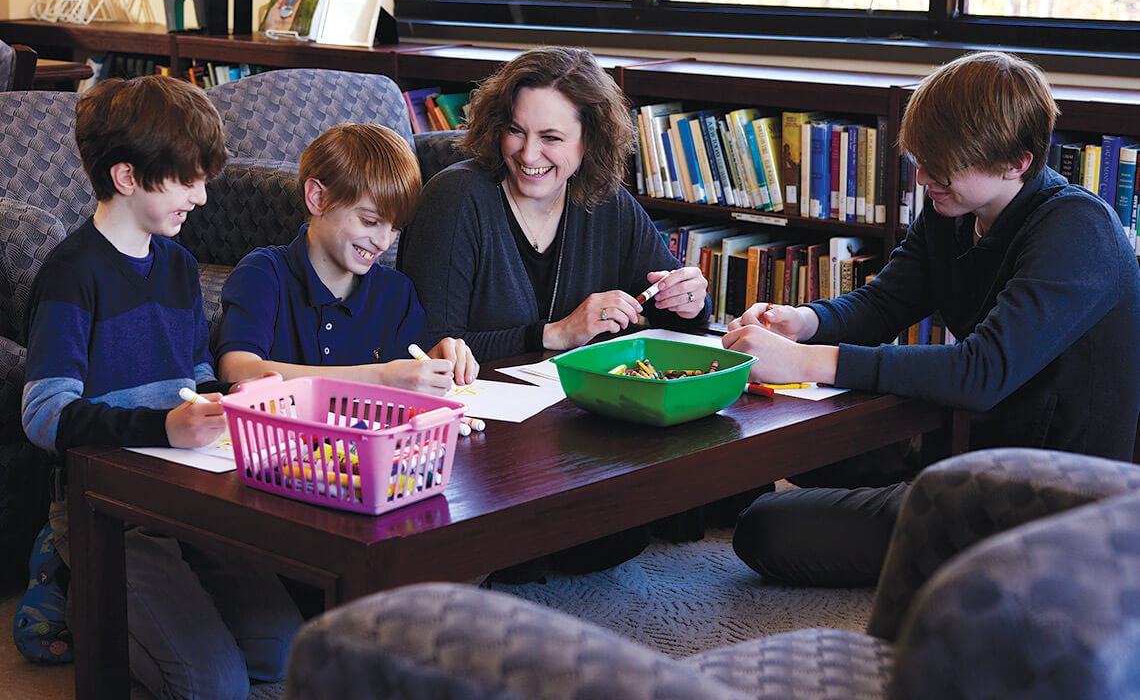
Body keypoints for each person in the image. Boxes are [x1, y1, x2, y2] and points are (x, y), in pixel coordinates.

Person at [723, 50, 1140, 587]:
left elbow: (979, 373)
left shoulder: (1079, 231)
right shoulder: (955, 208)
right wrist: (804, 322)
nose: (923, 178)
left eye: (944, 167)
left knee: (764, 528)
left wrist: (803, 361)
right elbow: (885, 303)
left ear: (1017, 162)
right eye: (922, 160)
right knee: (788, 454)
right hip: (966, 443)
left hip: (1048, 494)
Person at [20, 75, 303, 699]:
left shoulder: (178, 266)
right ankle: (74, 582)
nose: (201, 197)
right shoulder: (71, 275)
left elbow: (193, 373)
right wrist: (163, 428)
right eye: (187, 181)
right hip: (105, 512)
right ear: (126, 177)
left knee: (288, 655)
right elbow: (44, 416)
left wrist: (223, 399)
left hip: (188, 497)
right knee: (216, 686)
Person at [397, 46, 712, 362]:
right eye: (516, 130)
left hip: (581, 391)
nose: (528, 154)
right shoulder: (454, 198)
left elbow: (669, 311)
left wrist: (690, 302)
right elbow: (427, 346)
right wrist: (554, 334)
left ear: (590, 139)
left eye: (550, 138)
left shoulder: (607, 200)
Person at [216, 123, 477, 392]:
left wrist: (436, 363)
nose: (384, 242)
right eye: (369, 221)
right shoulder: (263, 273)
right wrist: (379, 377)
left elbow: (408, 379)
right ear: (317, 198)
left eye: (396, 228)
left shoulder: (397, 292)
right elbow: (237, 370)